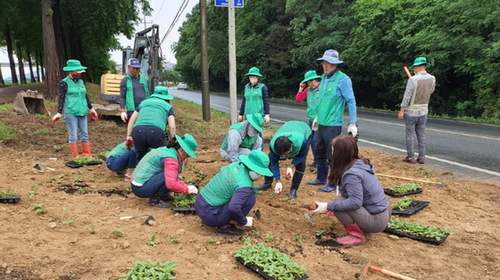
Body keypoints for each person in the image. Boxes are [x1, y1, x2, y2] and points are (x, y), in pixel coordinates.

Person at [310, 135, 391, 246]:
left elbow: (355, 202)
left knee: (338, 204)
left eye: (334, 150)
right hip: (383, 212)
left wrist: (327, 206)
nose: (332, 152)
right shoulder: (359, 162)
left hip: (377, 220)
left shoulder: (352, 174)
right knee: (339, 200)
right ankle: (363, 226)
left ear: (340, 154)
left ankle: (357, 236)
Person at [306, 49, 357, 193]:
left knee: (332, 154)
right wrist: (317, 117)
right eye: (324, 63)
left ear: (336, 64)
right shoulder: (323, 78)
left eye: (329, 63)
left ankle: (333, 182)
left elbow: (351, 100)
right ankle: (321, 177)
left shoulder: (343, 79)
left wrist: (353, 122)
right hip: (321, 123)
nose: (326, 66)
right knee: (319, 150)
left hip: (333, 124)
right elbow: (321, 101)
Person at [195, 150, 273, 236]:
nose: (259, 176)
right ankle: (224, 227)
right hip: (209, 216)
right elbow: (233, 207)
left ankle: (227, 218)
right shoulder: (244, 185)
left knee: (244, 195)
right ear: (254, 170)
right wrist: (244, 221)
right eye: (259, 173)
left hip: (199, 204)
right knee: (249, 198)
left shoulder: (235, 166)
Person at [130, 134, 199, 208]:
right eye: (187, 155)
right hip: (140, 188)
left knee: (171, 174)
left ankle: (163, 195)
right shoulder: (170, 159)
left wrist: (182, 185)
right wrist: (188, 189)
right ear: (182, 150)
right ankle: (155, 199)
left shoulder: (168, 150)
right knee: (168, 176)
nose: (186, 158)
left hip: (138, 183)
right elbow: (171, 184)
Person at [52, 59, 98, 158]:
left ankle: (87, 155)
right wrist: (59, 113)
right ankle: (76, 156)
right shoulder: (64, 83)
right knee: (73, 135)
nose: (79, 74)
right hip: (71, 112)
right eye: (78, 72)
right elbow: (61, 98)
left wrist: (91, 109)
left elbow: (85, 96)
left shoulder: (81, 82)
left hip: (82, 112)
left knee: (85, 134)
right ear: (71, 72)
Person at [256, 121, 311, 199]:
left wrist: (291, 166)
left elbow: (302, 155)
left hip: (303, 129)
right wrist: (278, 181)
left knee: (301, 164)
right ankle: (267, 183)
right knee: (270, 159)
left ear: (291, 146)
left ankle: (293, 190)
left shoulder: (301, 141)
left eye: (285, 154)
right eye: (281, 154)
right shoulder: (273, 145)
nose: (283, 156)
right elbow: (274, 163)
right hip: (287, 127)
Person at [398, 57, 436, 164]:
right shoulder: (432, 78)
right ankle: (422, 156)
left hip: (411, 111)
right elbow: (431, 91)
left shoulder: (413, 80)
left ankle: (410, 156)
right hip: (424, 110)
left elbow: (407, 97)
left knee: (410, 134)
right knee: (421, 134)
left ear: (418, 67)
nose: (414, 69)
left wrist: (402, 110)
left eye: (415, 67)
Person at [125, 86, 176, 162]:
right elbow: (172, 127)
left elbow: (132, 119)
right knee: (161, 157)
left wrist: (129, 136)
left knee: (140, 159)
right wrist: (173, 141)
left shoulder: (143, 103)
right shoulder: (168, 106)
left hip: (138, 131)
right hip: (156, 132)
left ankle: (139, 172)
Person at [295, 70, 322, 172]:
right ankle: (316, 161)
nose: (310, 83)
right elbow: (298, 99)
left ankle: (320, 163)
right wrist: (301, 89)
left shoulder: (322, 89)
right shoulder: (308, 90)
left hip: (320, 120)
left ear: (316, 79)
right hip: (311, 119)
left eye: (311, 81)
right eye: (308, 82)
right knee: (309, 141)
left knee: (316, 141)